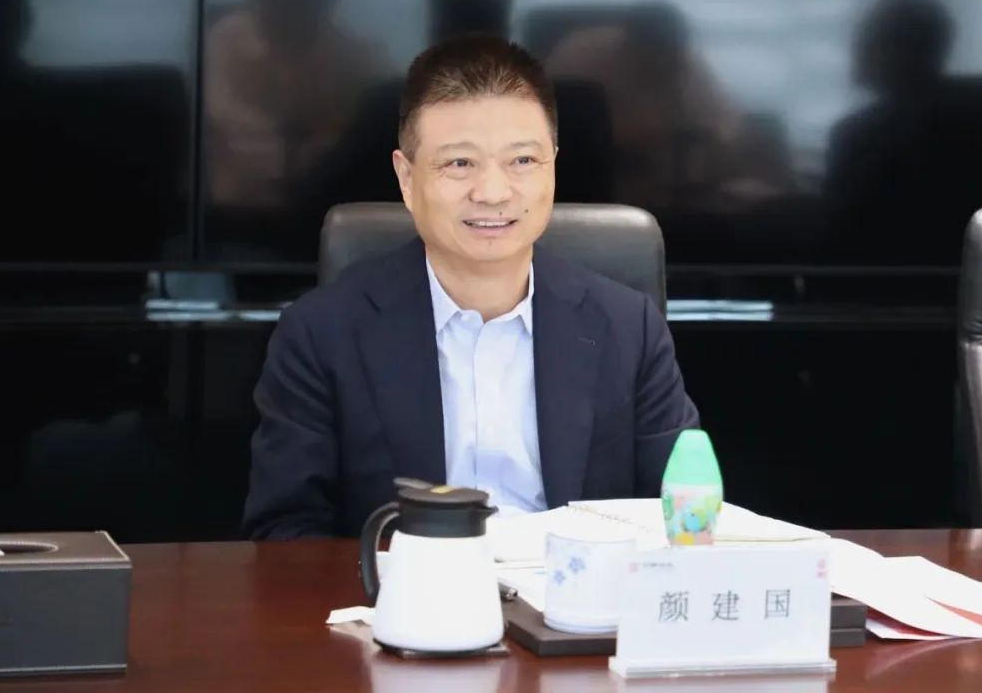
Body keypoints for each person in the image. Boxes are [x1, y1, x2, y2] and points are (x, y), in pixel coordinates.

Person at [242, 35, 700, 539]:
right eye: (460, 163)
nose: (493, 192)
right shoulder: (320, 334)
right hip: (403, 586)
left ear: (552, 166)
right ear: (407, 178)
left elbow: (685, 520)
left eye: (522, 161)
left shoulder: (628, 328)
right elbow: (285, 537)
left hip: (575, 587)